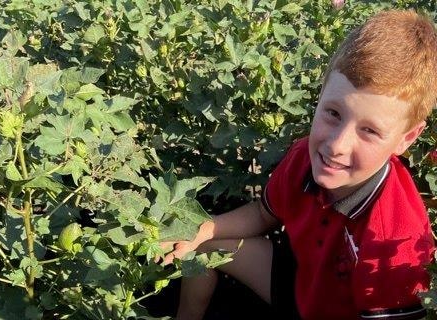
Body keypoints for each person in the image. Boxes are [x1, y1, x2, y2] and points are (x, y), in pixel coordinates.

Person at [159, 9, 437, 320]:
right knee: (202, 245)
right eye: (333, 113)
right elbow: (263, 214)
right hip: (299, 283)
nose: (336, 145)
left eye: (369, 131)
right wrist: (202, 229)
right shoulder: (304, 156)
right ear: (321, 94)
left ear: (407, 138)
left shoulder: (395, 245)